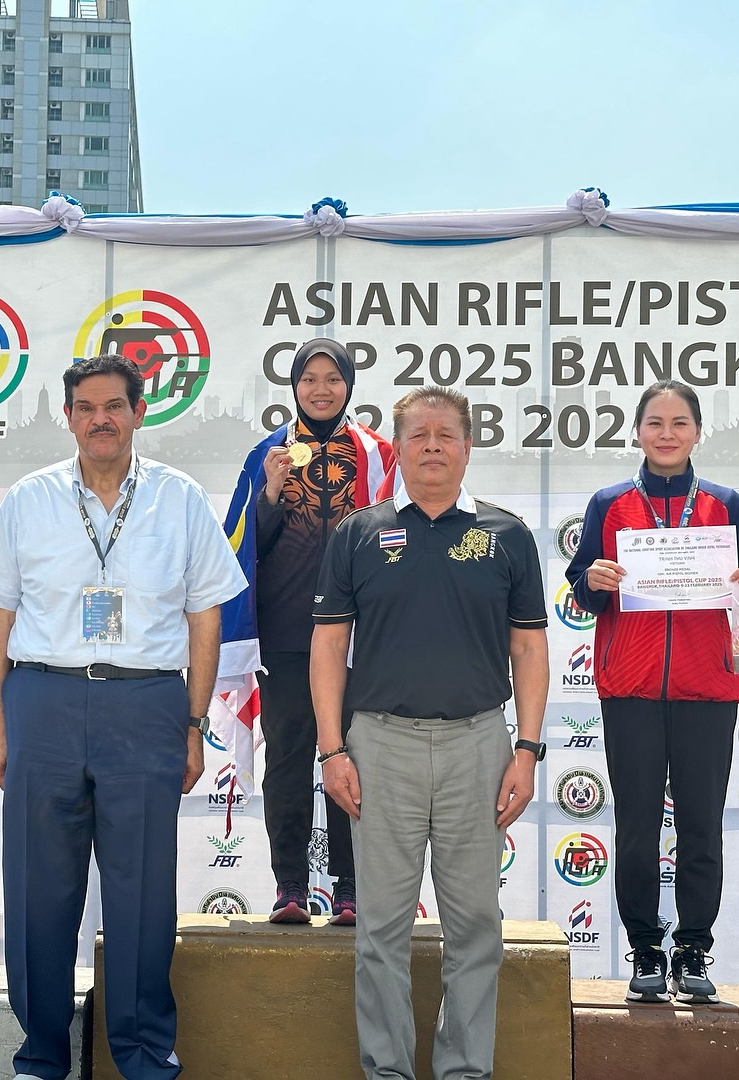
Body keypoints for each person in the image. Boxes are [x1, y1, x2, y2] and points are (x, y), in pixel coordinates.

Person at [0, 354, 245, 1080]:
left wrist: (192, 724)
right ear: (67, 417)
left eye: (114, 406)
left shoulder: (180, 499)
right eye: (86, 407)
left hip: (145, 704)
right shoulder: (28, 499)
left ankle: (144, 1052)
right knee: (38, 890)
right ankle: (42, 1052)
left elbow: (205, 615)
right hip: (44, 699)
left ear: (138, 412)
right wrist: (1, 727)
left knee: (143, 893)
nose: (100, 419)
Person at [310, 386, 549, 1080]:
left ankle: (464, 1070)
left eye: (447, 435)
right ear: (400, 448)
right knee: (380, 929)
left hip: (479, 745)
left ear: (468, 447)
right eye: (419, 436)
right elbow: (328, 649)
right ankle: (386, 1070)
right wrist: (333, 748)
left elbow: (530, 650)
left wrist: (527, 750)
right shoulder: (358, 532)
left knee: (474, 927)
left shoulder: (507, 537)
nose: (434, 447)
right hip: (380, 746)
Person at [565, 380, 739, 1006]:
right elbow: (584, 594)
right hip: (631, 690)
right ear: (638, 432)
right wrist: (593, 579)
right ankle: (647, 948)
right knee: (636, 826)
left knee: (703, 826)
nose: (667, 433)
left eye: (680, 422)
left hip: (708, 688)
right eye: (655, 422)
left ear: (698, 432)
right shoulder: (610, 503)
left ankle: (693, 949)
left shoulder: (726, 504)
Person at [219, 337, 396, 925]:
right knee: (290, 761)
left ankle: (350, 889)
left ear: (349, 385)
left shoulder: (377, 454)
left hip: (361, 639)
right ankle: (289, 884)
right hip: (288, 635)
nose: (321, 389)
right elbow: (239, 548)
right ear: (293, 386)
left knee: (356, 760)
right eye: (309, 379)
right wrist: (269, 493)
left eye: (332, 379)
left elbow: (403, 537)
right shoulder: (268, 452)